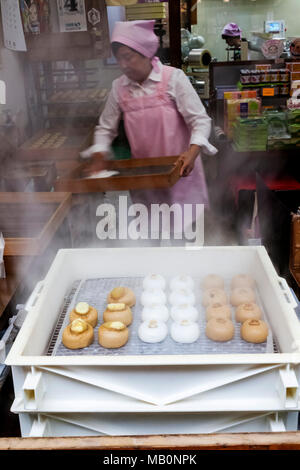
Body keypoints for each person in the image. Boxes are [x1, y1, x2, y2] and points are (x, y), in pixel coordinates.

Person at [82, 20, 217, 242]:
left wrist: (192, 153)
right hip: (144, 177)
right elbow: (106, 128)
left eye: (128, 57)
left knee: (186, 236)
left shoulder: (173, 79)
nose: (123, 64)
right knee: (152, 235)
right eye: (119, 59)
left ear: (145, 53)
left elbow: (200, 120)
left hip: (180, 171)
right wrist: (99, 155)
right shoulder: (119, 88)